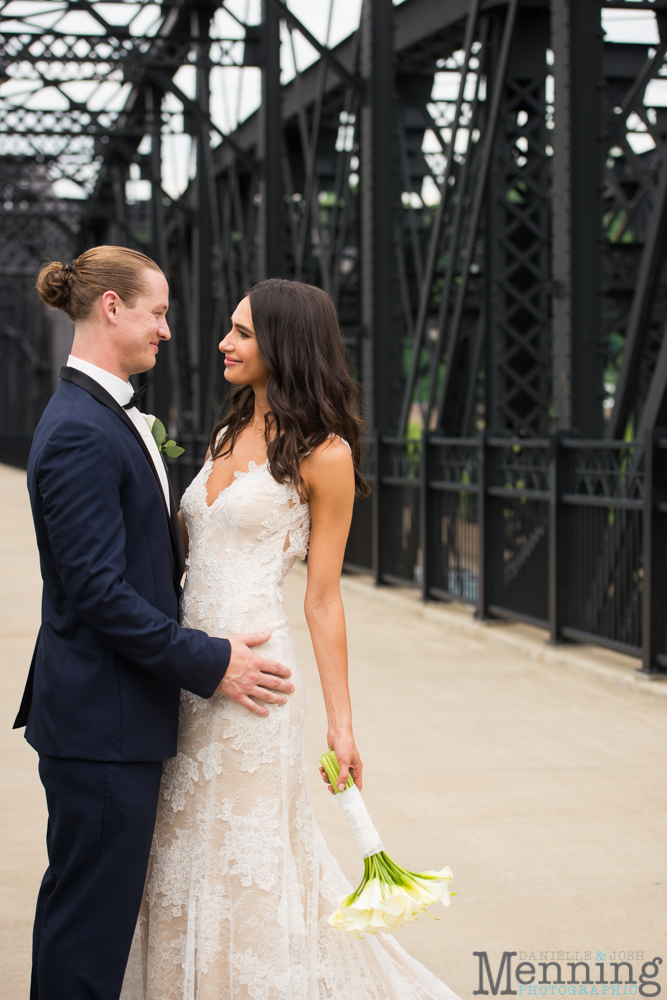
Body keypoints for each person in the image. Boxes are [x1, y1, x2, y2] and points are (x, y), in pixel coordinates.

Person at [121, 278, 460, 999]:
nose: (223, 343)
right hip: (188, 671)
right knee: (181, 850)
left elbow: (323, 597)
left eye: (241, 332)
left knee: (250, 853)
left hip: (257, 685)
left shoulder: (326, 454)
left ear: (283, 342)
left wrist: (342, 726)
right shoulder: (222, 431)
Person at [16, 247, 294, 1000]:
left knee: (88, 914)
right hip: (101, 719)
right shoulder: (81, 428)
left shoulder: (104, 413)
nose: (168, 330)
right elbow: (101, 594)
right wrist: (211, 660)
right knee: (88, 927)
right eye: (159, 312)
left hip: (108, 712)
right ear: (113, 309)